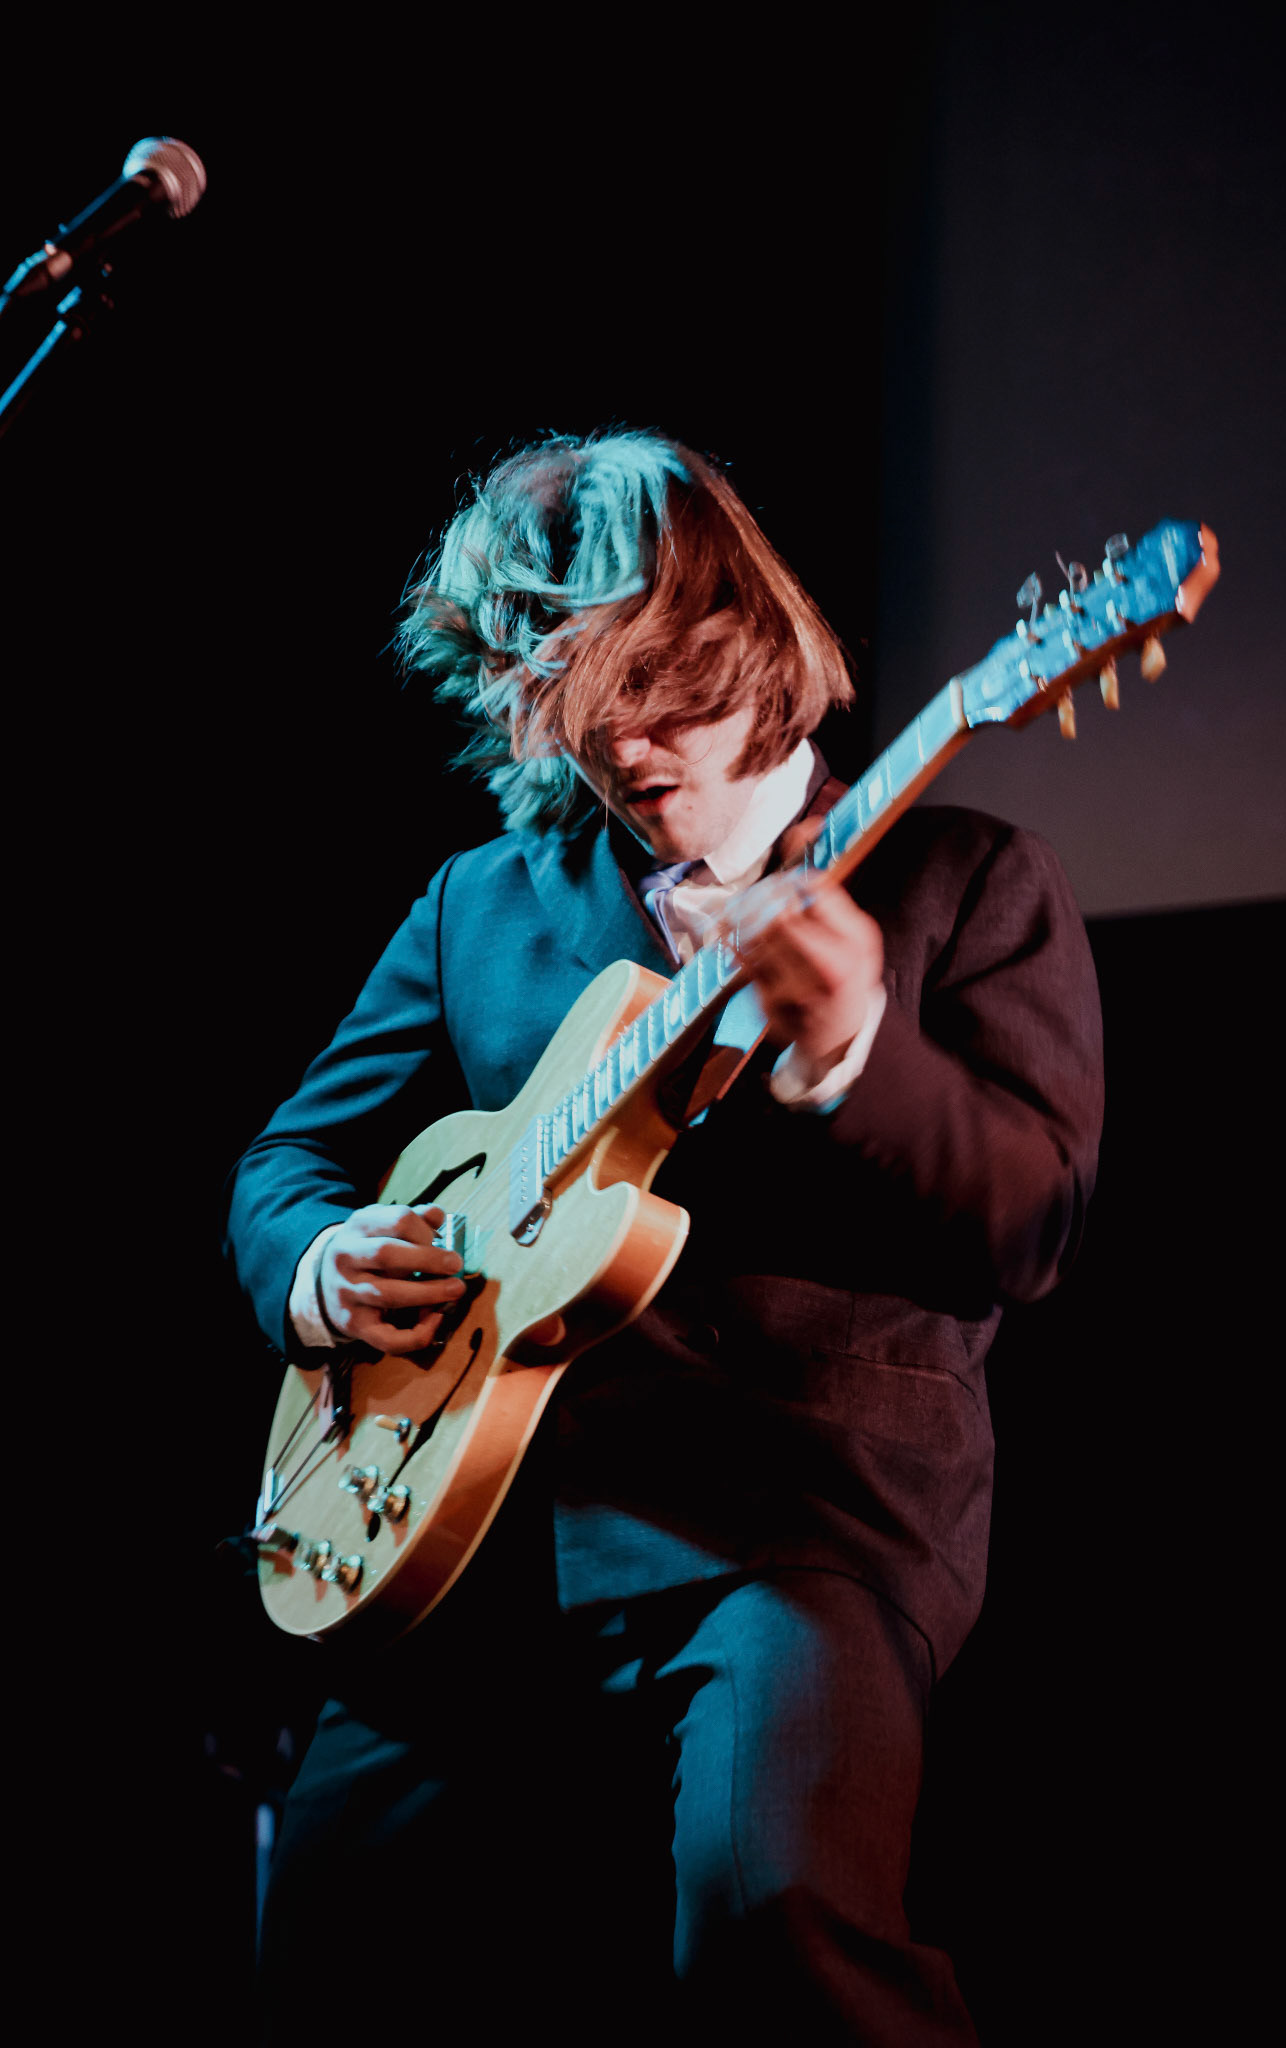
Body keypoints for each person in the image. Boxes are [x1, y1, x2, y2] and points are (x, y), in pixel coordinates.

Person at [224, 430, 1104, 2045]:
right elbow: (292, 1156)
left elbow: (1027, 1224)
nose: (622, 749)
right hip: (469, 1539)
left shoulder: (964, 881)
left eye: (656, 693)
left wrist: (852, 1049)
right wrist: (316, 1266)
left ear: (743, 642)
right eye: (573, 709)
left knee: (778, 1919)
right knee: (323, 1954)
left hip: (792, 1524)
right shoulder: (482, 902)